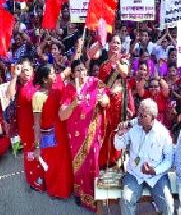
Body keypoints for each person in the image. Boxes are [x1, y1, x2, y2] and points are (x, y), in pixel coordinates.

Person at [59, 59, 109, 211]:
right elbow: (62, 115)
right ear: (73, 74)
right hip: (76, 136)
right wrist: (74, 102)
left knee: (93, 163)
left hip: (93, 132)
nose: (81, 73)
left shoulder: (95, 83)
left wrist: (104, 101)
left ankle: (95, 195)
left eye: (83, 69)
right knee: (79, 166)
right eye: (78, 70)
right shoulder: (68, 89)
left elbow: (107, 100)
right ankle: (80, 194)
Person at [114, 98, 174, 215]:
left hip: (156, 177)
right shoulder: (133, 128)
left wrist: (155, 171)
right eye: (139, 113)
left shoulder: (163, 133)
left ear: (153, 117)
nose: (139, 117)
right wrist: (120, 134)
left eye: (143, 115)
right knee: (126, 200)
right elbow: (118, 146)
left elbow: (168, 160)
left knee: (168, 204)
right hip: (135, 174)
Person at [32, 64, 73, 198]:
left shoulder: (57, 89)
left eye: (55, 73)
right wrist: (37, 146)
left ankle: (66, 188)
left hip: (62, 131)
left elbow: (68, 72)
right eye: (52, 74)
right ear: (44, 79)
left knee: (64, 161)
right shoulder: (38, 96)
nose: (55, 75)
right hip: (49, 135)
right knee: (53, 164)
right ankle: (55, 191)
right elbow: (37, 123)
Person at [6, 58, 45, 191]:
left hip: (41, 124)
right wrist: (14, 76)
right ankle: (34, 180)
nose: (25, 73)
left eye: (27, 70)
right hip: (25, 126)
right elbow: (9, 95)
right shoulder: (18, 84)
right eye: (22, 71)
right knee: (30, 152)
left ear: (33, 70)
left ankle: (44, 177)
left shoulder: (38, 82)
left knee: (43, 151)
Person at [97, 34, 132, 167]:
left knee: (119, 130)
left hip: (120, 102)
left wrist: (117, 62)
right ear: (109, 45)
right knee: (106, 131)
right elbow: (100, 85)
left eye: (118, 43)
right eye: (113, 42)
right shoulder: (104, 65)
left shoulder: (124, 63)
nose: (115, 45)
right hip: (107, 103)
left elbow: (125, 74)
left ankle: (118, 160)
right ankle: (104, 162)